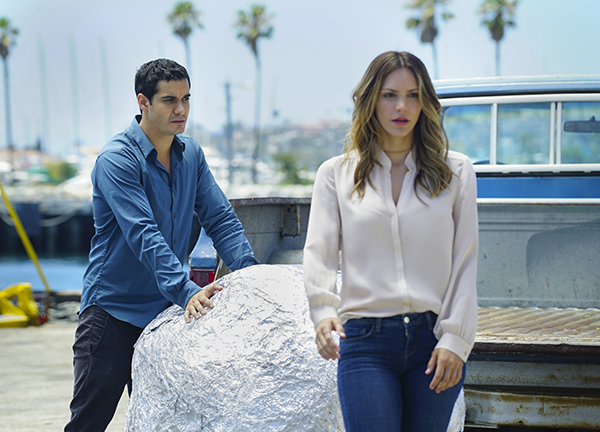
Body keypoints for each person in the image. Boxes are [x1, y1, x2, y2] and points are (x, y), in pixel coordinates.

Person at [65, 58, 259, 432]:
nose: (181, 109)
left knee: (163, 424)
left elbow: (220, 218)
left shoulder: (192, 155)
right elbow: (144, 235)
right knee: (89, 423)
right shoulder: (117, 159)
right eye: (169, 100)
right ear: (143, 102)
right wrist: (187, 291)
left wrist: (252, 275)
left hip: (164, 316)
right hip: (112, 313)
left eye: (186, 99)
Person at [303, 51, 478, 432]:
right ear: (371, 100)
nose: (402, 107)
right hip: (365, 342)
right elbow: (319, 251)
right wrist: (322, 310)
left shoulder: (456, 171)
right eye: (390, 95)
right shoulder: (335, 174)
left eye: (413, 95)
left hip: (434, 340)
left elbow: (465, 263)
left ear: (426, 102)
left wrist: (456, 339)